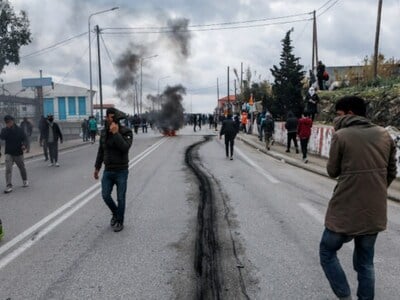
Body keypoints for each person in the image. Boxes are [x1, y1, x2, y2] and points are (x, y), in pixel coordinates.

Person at [320, 96, 397, 300]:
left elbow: (332, 171)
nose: (336, 120)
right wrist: (375, 189)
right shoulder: (384, 135)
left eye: (338, 115)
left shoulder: (341, 136)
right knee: (365, 263)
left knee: (327, 251)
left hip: (345, 210)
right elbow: (391, 171)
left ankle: (344, 296)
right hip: (374, 212)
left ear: (350, 113)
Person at [94, 108, 133, 232]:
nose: (108, 119)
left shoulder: (127, 131)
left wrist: (116, 134)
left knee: (121, 198)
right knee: (105, 195)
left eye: (110, 117)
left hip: (121, 170)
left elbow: (125, 148)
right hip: (108, 170)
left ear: (115, 119)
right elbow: (101, 151)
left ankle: (120, 221)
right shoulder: (104, 133)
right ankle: (116, 213)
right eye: (107, 117)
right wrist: (97, 167)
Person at [0, 115, 29, 193]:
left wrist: (24, 145)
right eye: (6, 123)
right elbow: (2, 137)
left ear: (12, 121)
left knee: (22, 167)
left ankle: (25, 180)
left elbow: (25, 139)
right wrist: (6, 129)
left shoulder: (20, 130)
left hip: (18, 152)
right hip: (9, 152)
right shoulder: (4, 130)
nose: (8, 124)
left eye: (9, 122)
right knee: (8, 169)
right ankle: (9, 185)